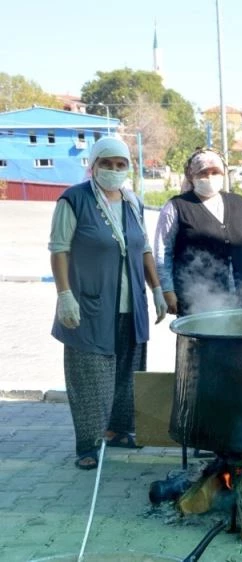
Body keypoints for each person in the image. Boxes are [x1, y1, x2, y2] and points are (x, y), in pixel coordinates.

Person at [49, 136, 168, 470]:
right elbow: (59, 249)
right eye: (107, 163)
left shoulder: (133, 202)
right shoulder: (74, 200)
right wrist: (64, 295)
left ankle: (119, 430)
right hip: (89, 304)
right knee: (90, 376)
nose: (114, 170)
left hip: (131, 304)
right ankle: (88, 444)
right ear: (94, 164)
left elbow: (143, 247)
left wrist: (156, 288)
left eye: (121, 164)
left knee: (128, 371)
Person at [154, 148, 242, 317]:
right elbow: (162, 251)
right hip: (198, 301)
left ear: (223, 174)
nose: (210, 177)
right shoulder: (176, 206)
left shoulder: (240, 203)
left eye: (215, 172)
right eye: (203, 173)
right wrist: (167, 289)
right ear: (191, 176)